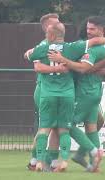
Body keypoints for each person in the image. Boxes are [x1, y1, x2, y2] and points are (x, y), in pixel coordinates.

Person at [27, 22, 105, 172]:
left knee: (46, 128)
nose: (46, 35)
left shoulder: (44, 48)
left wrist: (32, 54)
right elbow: (99, 53)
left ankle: (39, 161)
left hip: (50, 93)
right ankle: (65, 161)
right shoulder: (73, 47)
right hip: (71, 93)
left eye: (47, 33)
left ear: (51, 35)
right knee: (67, 128)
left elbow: (32, 59)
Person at [24, 13, 62, 171]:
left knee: (57, 127)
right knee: (45, 126)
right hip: (44, 89)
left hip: (57, 90)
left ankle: (51, 162)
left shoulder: (59, 44)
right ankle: (35, 161)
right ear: (48, 27)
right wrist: (58, 68)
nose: (60, 25)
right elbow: (37, 66)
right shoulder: (43, 46)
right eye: (56, 23)